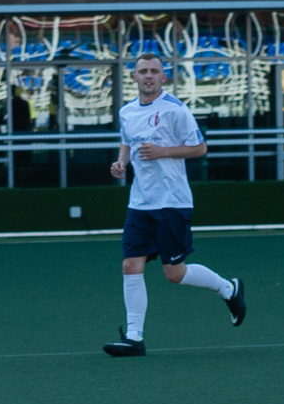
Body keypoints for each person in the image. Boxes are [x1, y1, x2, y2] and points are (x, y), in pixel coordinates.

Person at [102, 55, 245, 356]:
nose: (149, 76)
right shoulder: (126, 111)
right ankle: (134, 337)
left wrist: (163, 151)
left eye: (154, 71)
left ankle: (228, 289)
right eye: (143, 71)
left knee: (174, 273)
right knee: (130, 264)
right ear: (134, 77)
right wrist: (121, 162)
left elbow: (200, 147)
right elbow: (127, 141)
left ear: (163, 77)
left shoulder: (176, 110)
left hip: (172, 202)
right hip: (140, 203)